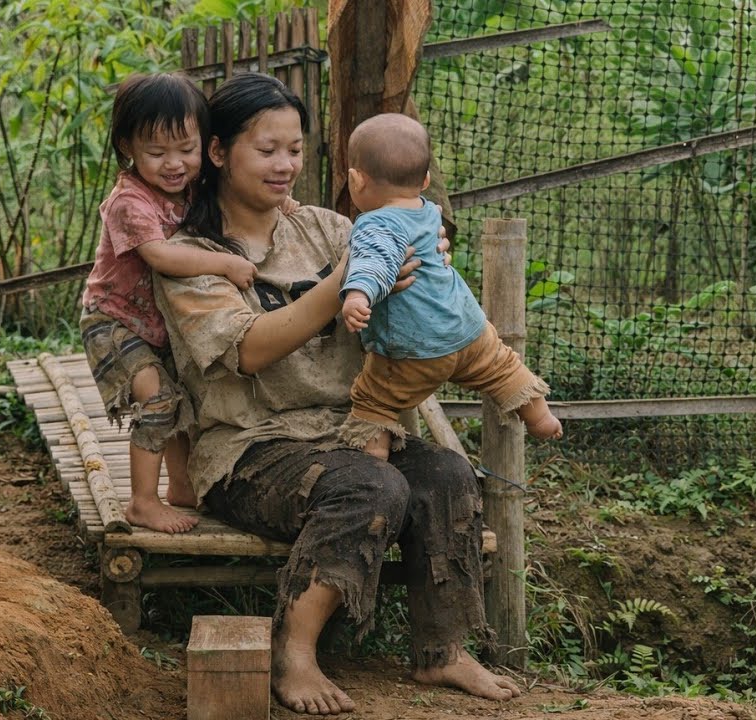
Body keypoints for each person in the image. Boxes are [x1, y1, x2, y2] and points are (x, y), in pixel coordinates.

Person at [154, 73, 521, 716]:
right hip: (249, 449)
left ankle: (443, 652)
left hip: (346, 430)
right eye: (267, 150)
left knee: (445, 473)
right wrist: (344, 284)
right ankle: (291, 657)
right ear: (218, 153)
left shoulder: (327, 229)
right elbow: (247, 351)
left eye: (295, 150)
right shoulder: (192, 257)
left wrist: (431, 249)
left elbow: (410, 263)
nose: (285, 165)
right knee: (371, 486)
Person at [80, 72, 257, 534]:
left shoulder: (195, 189)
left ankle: (180, 486)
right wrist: (223, 265)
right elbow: (159, 256)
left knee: (184, 399)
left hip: (159, 324)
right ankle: (142, 501)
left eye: (186, 150)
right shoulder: (129, 202)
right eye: (156, 153)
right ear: (128, 149)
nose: (174, 164)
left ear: (206, 145)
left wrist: (288, 206)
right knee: (157, 398)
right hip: (113, 320)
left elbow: (238, 195)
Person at [337, 113, 563, 460]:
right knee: (504, 366)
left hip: (414, 350)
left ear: (355, 180)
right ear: (426, 179)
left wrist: (357, 294)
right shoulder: (429, 212)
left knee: (373, 401)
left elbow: (373, 262)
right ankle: (542, 418)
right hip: (469, 332)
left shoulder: (375, 223)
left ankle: (374, 465)